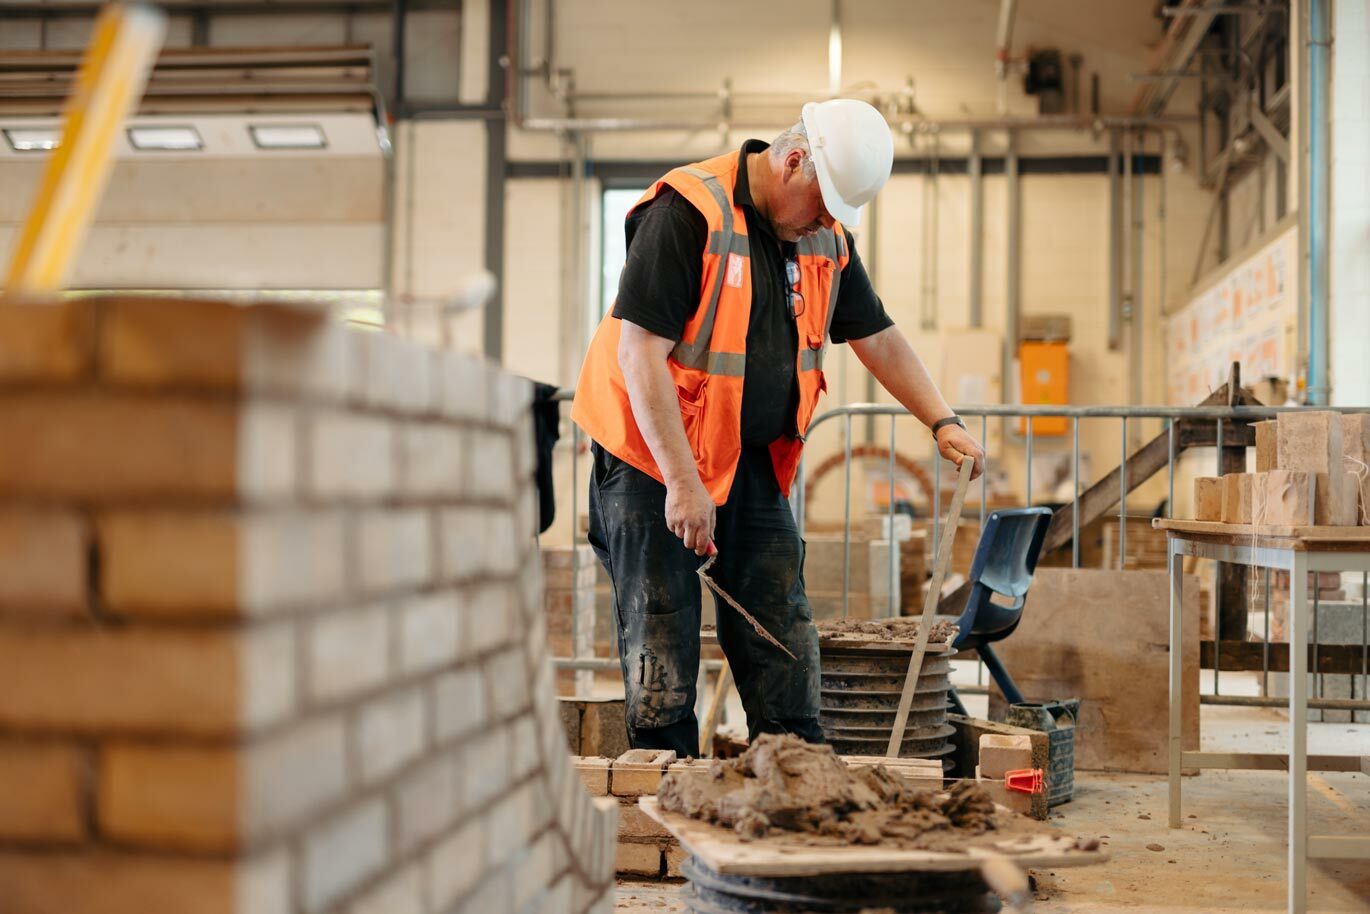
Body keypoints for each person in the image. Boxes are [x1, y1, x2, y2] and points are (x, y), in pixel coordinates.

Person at [571, 99, 984, 758]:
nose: (825, 224)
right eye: (821, 207)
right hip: (653, 459)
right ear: (793, 162)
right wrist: (683, 484)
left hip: (746, 460)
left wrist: (942, 420)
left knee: (780, 624)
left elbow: (876, 336)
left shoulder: (821, 238)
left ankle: (796, 771)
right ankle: (667, 785)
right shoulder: (686, 213)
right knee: (662, 629)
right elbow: (639, 354)